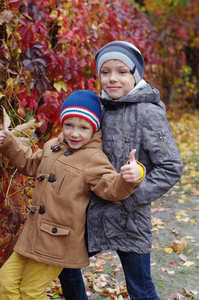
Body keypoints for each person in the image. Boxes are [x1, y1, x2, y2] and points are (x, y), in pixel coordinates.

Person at [59, 41, 183, 300]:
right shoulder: (98, 108)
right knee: (64, 264)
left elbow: (170, 167)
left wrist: (131, 196)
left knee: (141, 289)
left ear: (135, 74)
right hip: (91, 212)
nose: (112, 78)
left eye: (122, 71)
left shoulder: (149, 113)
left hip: (130, 218)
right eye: (105, 72)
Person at [0, 89, 145, 300]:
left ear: (94, 129)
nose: (74, 133)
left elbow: (111, 187)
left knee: (31, 292)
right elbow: (30, 164)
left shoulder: (93, 158)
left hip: (56, 241)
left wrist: (133, 175)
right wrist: (7, 140)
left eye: (83, 128)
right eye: (69, 125)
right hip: (31, 235)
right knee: (5, 282)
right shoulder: (52, 146)